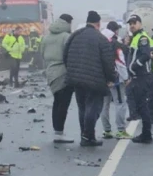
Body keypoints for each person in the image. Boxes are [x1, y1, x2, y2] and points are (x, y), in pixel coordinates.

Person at [63, 11, 116, 147]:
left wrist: (71, 71)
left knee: (82, 107)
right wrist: (111, 78)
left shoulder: (75, 35)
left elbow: (65, 54)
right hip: (95, 80)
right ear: (98, 24)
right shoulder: (101, 39)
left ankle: (85, 135)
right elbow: (108, 62)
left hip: (76, 78)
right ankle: (88, 135)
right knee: (93, 107)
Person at [41, 13, 74, 143]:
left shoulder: (46, 37)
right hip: (63, 73)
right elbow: (69, 56)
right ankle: (60, 133)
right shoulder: (66, 37)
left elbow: (42, 54)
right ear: (67, 23)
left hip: (51, 73)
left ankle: (57, 131)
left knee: (57, 102)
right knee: (63, 104)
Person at [126, 15, 153, 143]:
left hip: (142, 76)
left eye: (134, 23)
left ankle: (146, 135)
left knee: (143, 106)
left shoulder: (142, 38)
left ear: (140, 24)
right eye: (130, 23)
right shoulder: (135, 37)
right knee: (141, 105)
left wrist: (134, 66)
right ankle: (145, 134)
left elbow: (145, 55)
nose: (132, 25)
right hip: (137, 76)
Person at [100, 21, 131, 139]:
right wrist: (126, 78)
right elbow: (120, 63)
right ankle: (121, 130)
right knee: (120, 102)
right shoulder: (116, 44)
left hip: (102, 79)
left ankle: (107, 130)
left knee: (105, 104)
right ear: (116, 31)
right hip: (116, 78)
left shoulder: (99, 41)